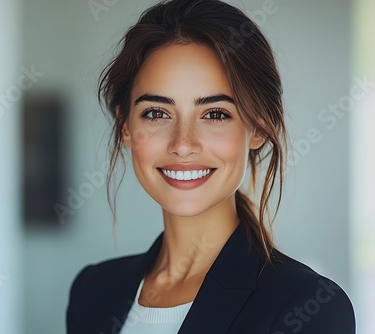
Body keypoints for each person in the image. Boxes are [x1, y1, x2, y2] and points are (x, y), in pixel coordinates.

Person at [66, 0, 356, 333]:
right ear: (126, 127)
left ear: (259, 128)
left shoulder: (308, 306)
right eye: (157, 113)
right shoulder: (93, 291)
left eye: (215, 114)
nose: (183, 144)